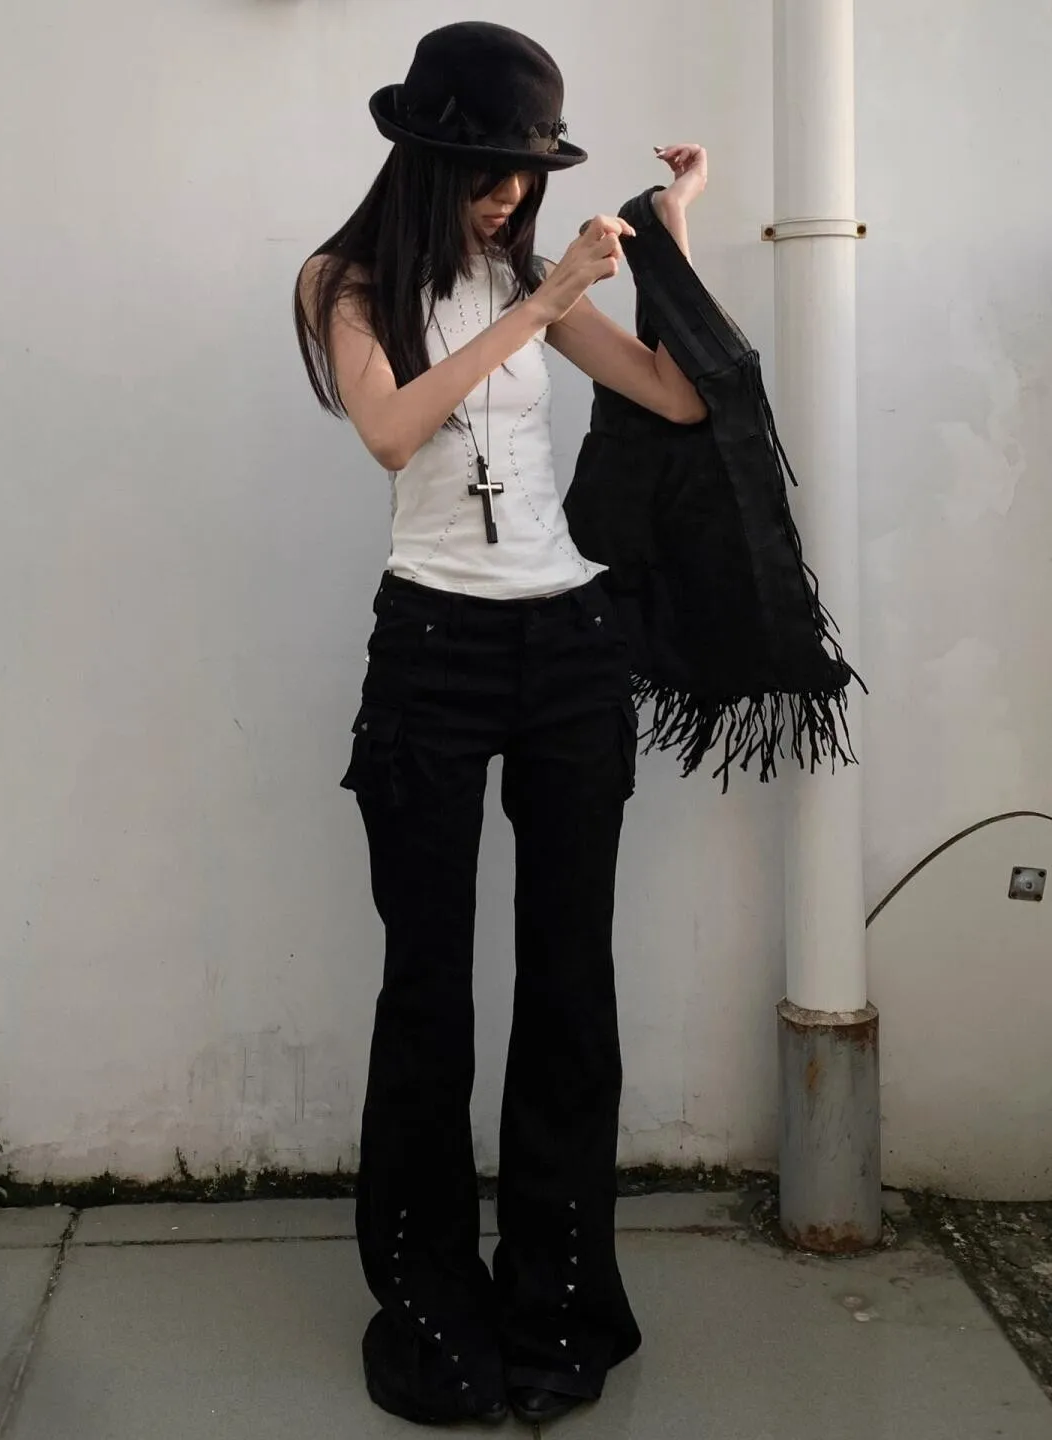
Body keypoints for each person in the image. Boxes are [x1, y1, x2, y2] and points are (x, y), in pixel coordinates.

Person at [294, 21, 708, 1429]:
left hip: (569, 645)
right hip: (433, 647)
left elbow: (675, 393)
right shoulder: (346, 282)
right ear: (425, 159)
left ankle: (560, 1298)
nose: (510, 199)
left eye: (527, 177)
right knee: (428, 989)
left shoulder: (531, 273)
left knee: (569, 981)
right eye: (489, 174)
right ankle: (429, 1303)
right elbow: (391, 430)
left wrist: (667, 242)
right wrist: (547, 302)